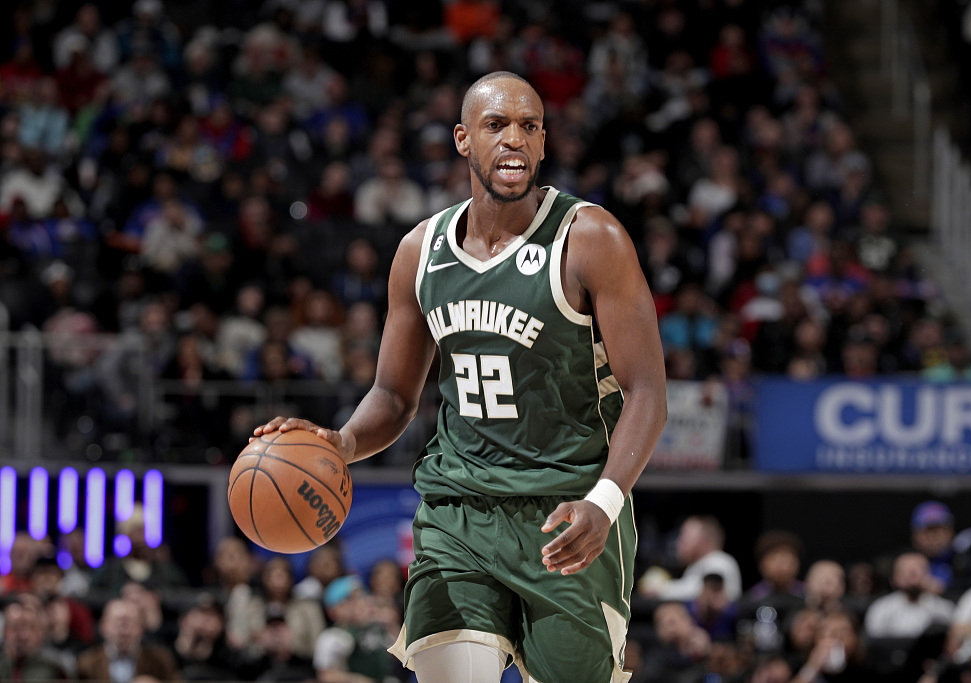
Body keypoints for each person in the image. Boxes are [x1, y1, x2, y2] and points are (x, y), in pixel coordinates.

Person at [254, 70, 668, 683]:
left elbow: (650, 393)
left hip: (567, 512)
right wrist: (337, 443)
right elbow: (394, 396)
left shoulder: (591, 239)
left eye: (530, 126)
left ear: (545, 144)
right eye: (496, 125)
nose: (514, 140)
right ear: (462, 140)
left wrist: (604, 503)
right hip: (459, 510)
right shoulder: (422, 251)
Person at [646, 514, 743, 603]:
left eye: (685, 537)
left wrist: (660, 589)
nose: (678, 543)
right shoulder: (696, 565)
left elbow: (700, 592)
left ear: (703, 540)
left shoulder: (720, 561)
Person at [863, 551, 955, 640]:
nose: (912, 575)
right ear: (893, 577)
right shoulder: (880, 608)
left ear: (929, 574)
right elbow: (874, 644)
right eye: (905, 570)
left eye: (918, 569)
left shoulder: (945, 609)